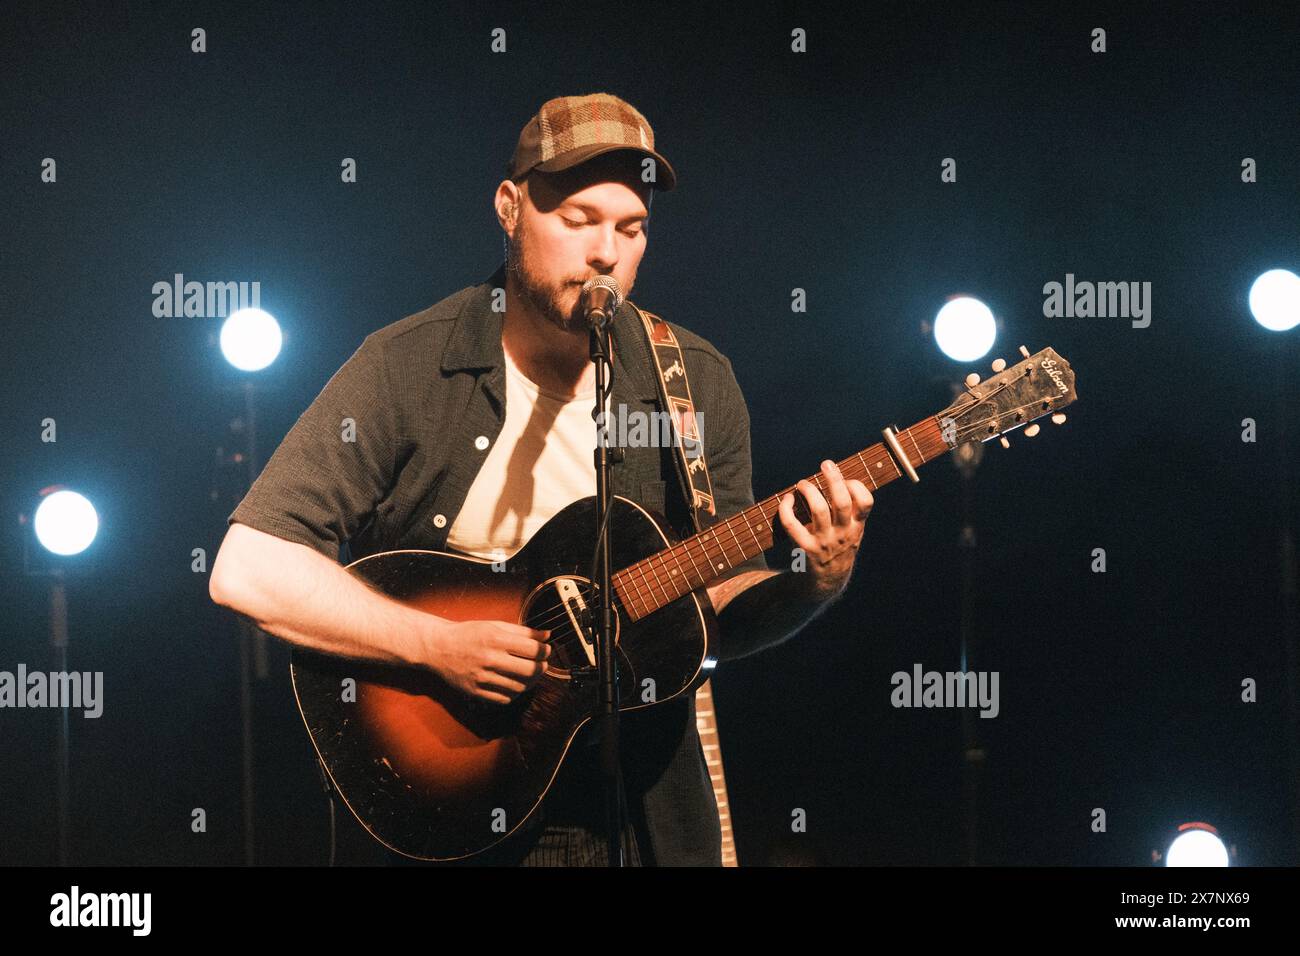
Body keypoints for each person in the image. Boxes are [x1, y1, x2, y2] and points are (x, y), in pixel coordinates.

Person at [209, 92, 873, 866]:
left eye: (631, 230)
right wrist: (433, 644)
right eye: (577, 220)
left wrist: (813, 580)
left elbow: (713, 612)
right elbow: (247, 569)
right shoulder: (407, 366)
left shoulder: (695, 380)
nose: (605, 254)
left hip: (641, 809)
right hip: (447, 801)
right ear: (509, 208)